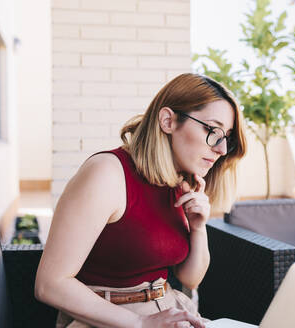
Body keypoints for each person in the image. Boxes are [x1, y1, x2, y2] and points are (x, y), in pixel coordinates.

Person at [35, 73, 247, 328]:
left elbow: (191, 279)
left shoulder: (180, 182)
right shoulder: (107, 173)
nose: (222, 149)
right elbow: (50, 284)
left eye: (227, 136)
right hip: (107, 319)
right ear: (168, 121)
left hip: (168, 308)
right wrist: (140, 323)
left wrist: (199, 228)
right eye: (213, 130)